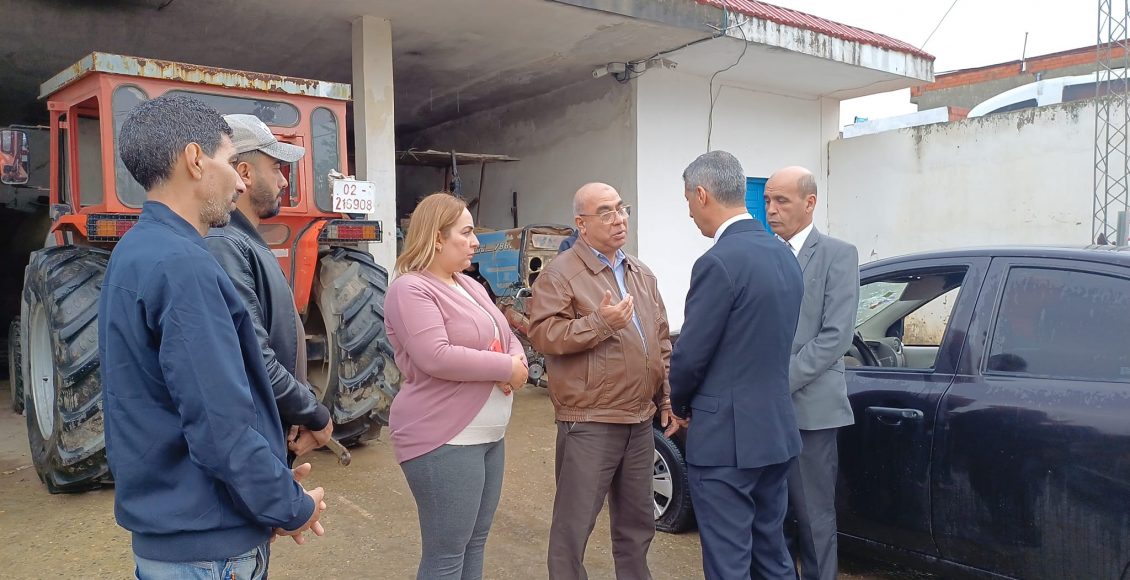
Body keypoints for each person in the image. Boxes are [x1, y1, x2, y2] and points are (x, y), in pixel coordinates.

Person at [99, 94, 326, 579]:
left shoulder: (136, 250)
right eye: (229, 160)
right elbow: (220, 427)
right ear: (195, 160)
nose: (239, 181)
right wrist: (288, 504)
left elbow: (168, 405)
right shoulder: (184, 266)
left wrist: (265, 485)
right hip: (209, 553)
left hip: (178, 532)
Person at [528, 182, 676, 580]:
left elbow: (660, 339)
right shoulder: (561, 274)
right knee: (573, 528)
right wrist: (599, 324)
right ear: (581, 223)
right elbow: (543, 336)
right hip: (590, 420)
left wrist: (665, 397)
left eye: (621, 209)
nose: (619, 219)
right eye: (606, 212)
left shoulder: (640, 272)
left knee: (638, 525)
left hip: (639, 420)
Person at [668, 151, 803, 580]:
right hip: (775, 432)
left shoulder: (718, 262)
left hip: (726, 440)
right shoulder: (784, 256)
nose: (690, 214)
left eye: (688, 202)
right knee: (772, 557)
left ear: (702, 195)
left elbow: (690, 354)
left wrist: (679, 404)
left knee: (729, 563)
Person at [384, 193, 529, 580]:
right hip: (444, 438)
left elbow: (506, 334)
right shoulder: (411, 289)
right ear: (436, 237)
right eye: (466, 233)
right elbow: (436, 355)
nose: (475, 241)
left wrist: (517, 362)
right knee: (447, 554)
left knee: (474, 543)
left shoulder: (470, 285)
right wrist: (505, 367)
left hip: (488, 436)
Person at [205, 114, 333, 462]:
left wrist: (296, 409)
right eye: (276, 168)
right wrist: (313, 413)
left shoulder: (243, 242)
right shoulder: (225, 245)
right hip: (254, 441)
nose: (283, 181)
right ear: (244, 173)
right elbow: (253, 357)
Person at [764, 166, 859, 580]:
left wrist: (776, 382)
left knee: (814, 518)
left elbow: (836, 336)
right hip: (765, 411)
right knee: (774, 517)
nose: (771, 209)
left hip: (811, 411)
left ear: (810, 203)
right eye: (767, 200)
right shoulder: (763, 254)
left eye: (781, 201)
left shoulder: (838, 254)